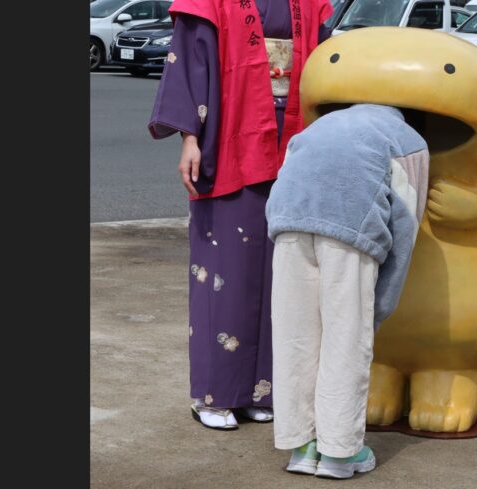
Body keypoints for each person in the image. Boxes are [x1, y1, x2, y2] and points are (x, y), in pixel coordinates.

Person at [147, 0, 334, 430]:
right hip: (230, 137)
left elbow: (327, 67)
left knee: (280, 272)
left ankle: (259, 390)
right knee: (226, 269)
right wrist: (189, 140)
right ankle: (213, 395)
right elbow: (190, 63)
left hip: (293, 139)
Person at [265, 103, 430, 478]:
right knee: (345, 341)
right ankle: (340, 454)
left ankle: (301, 448)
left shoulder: (318, 127)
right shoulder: (410, 141)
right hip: (351, 232)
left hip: (287, 223)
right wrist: (380, 306)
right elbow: (405, 222)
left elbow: (286, 175)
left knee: (296, 338)